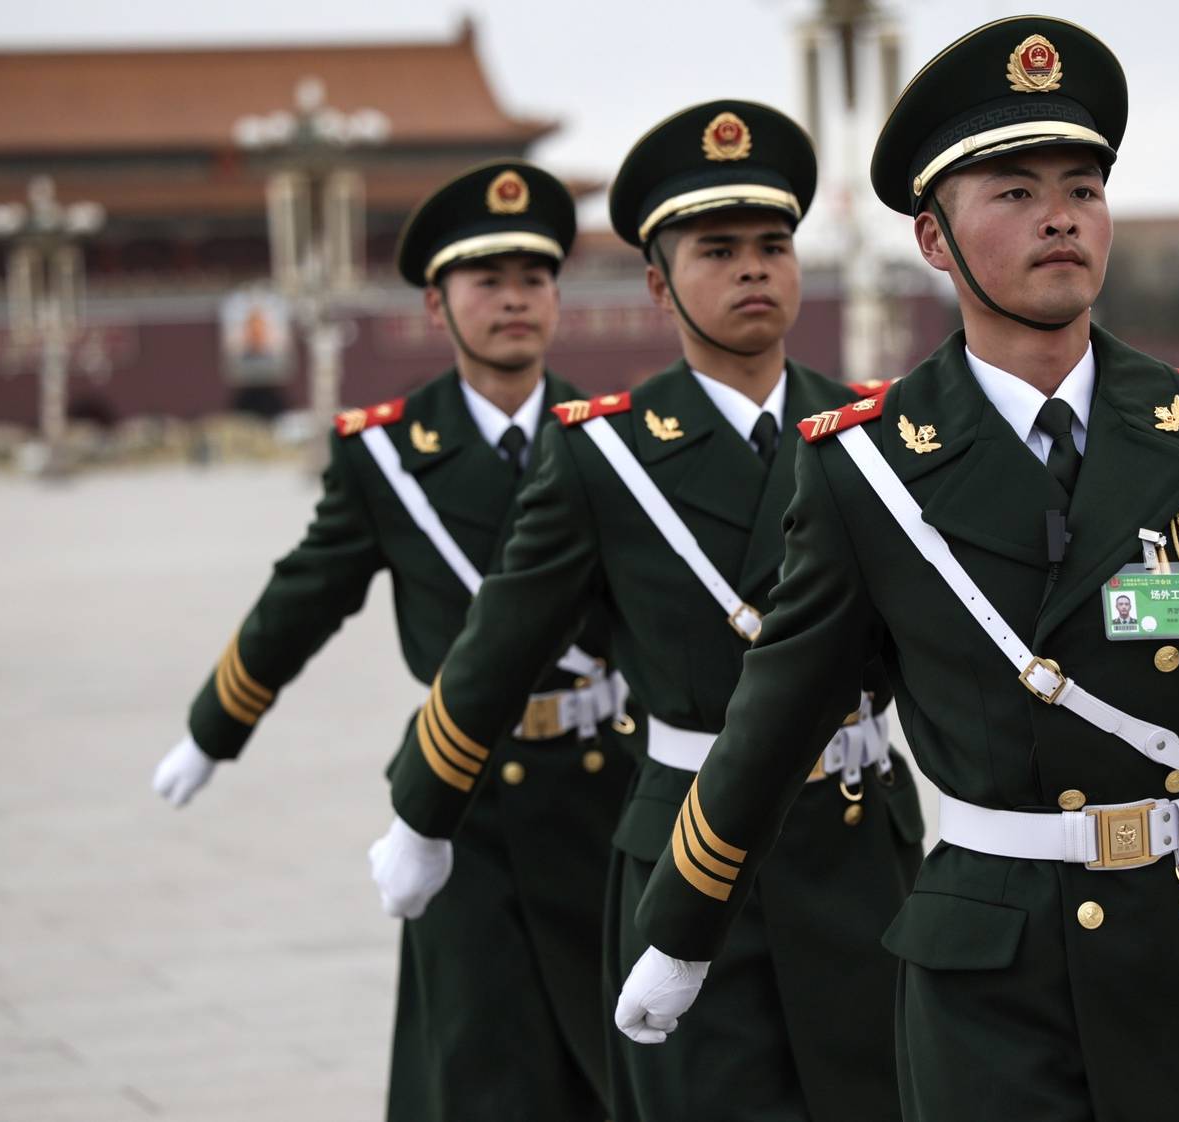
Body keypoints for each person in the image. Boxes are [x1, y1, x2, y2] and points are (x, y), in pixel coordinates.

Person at [615, 20, 1179, 1121]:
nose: (1058, 214)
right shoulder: (866, 471)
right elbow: (773, 719)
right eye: (1011, 190)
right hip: (984, 966)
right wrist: (680, 929)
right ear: (933, 238)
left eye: (1081, 186)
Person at [366, 101, 921, 1122]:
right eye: (717, 250)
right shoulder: (604, 457)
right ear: (660, 284)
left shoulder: (880, 437)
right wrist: (422, 812)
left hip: (855, 847)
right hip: (687, 855)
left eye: (772, 245)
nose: (754, 268)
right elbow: (498, 646)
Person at [150, 160, 634, 1121]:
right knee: (479, 1062)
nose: (513, 301)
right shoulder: (387, 452)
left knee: (617, 1064)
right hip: (461, 799)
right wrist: (215, 727)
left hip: (601, 789)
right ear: (435, 305)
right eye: (486, 281)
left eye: (533, 279)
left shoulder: (618, 439)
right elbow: (306, 593)